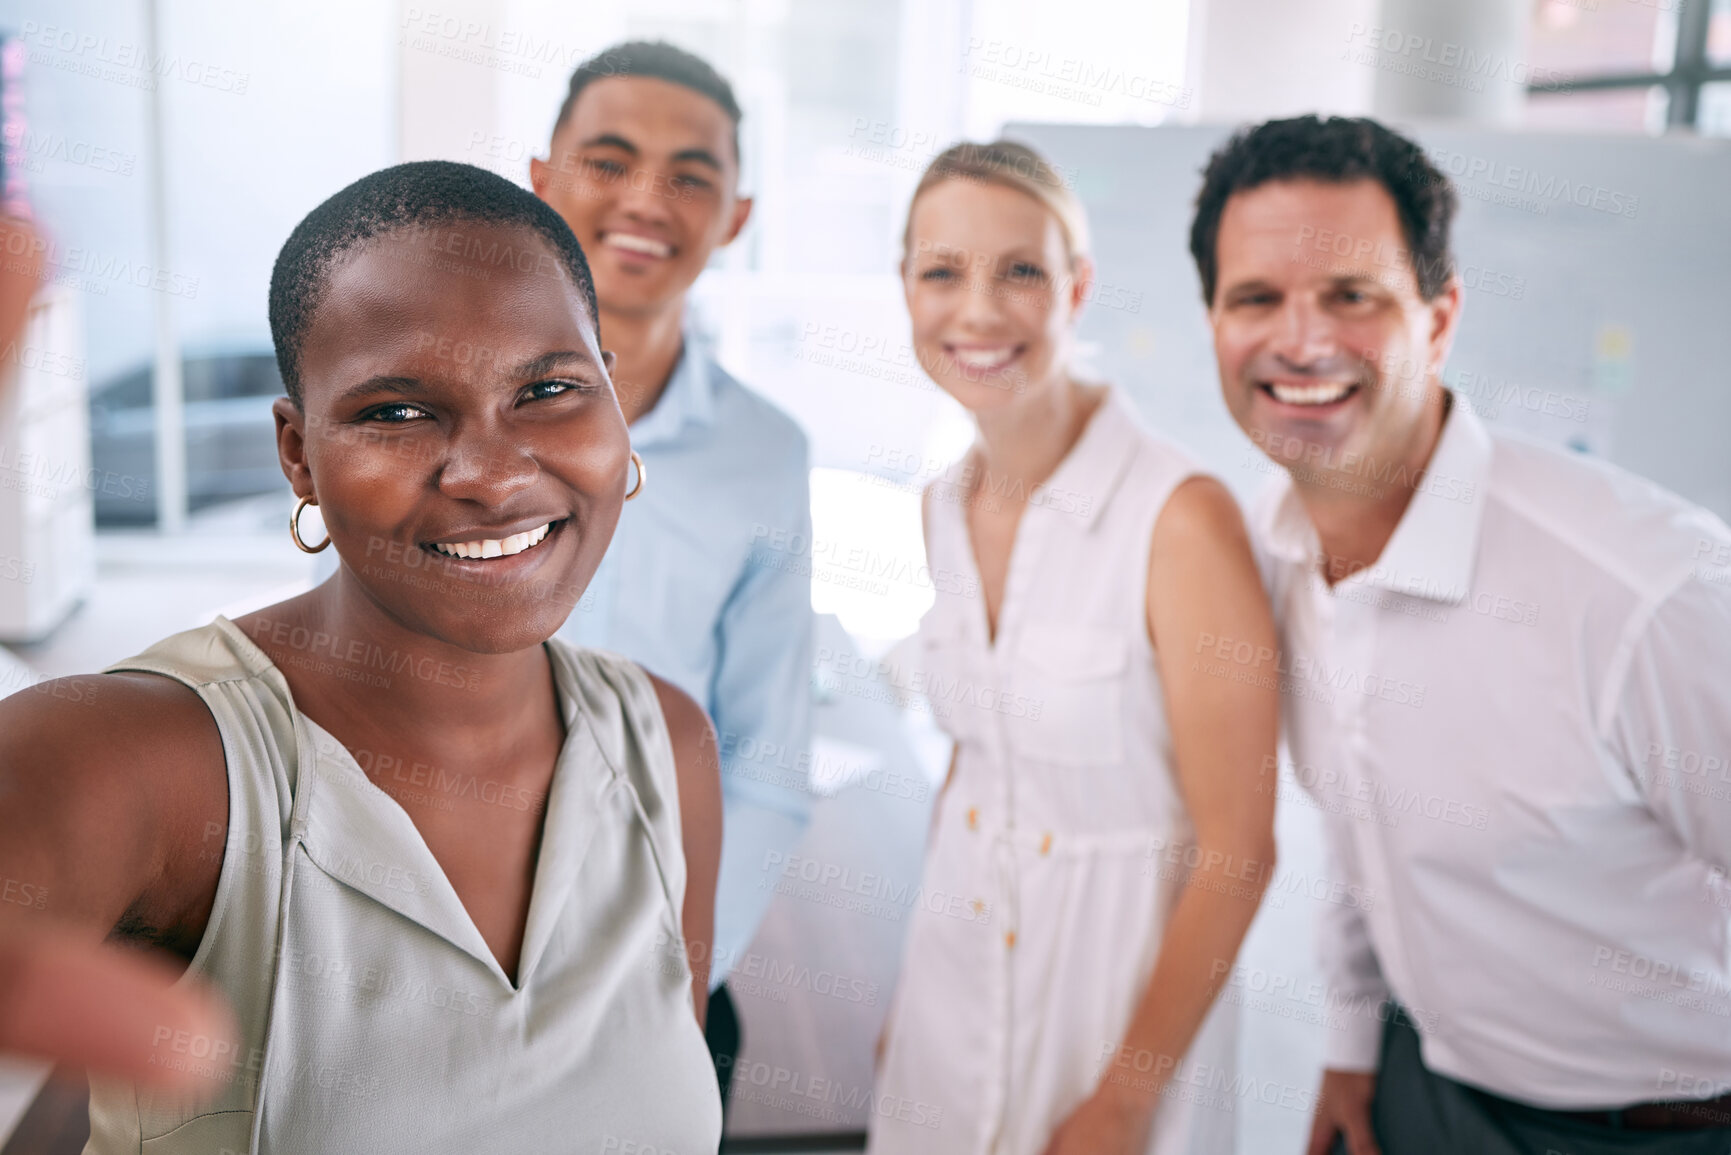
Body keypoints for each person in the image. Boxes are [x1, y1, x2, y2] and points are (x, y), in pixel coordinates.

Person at [0, 161, 724, 1152]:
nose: (493, 474)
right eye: (397, 411)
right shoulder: (130, 759)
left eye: (550, 389)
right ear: (298, 454)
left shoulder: (667, 744)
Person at [1191, 114, 1731, 1155]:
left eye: (1351, 296)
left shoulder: (1646, 595)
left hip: (1661, 1125)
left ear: (1439, 320)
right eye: (1256, 297)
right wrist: (1352, 1046)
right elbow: (1364, 817)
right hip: (1423, 1088)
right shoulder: (1264, 539)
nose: (1300, 341)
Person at [869, 141, 1280, 1155]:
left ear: (1076, 289)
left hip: (1113, 1009)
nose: (978, 312)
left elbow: (1238, 852)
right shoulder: (943, 510)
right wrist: (912, 1002)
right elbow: (975, 764)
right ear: (906, 292)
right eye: (942, 272)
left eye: (1020, 271)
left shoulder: (1180, 519)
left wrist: (1127, 1099)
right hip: (950, 998)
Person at [530, 41, 814, 1109]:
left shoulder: (767, 453)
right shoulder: (450, 409)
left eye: (692, 175)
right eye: (610, 159)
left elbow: (770, 757)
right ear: (543, 182)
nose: (649, 198)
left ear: (735, 216)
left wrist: (683, 977)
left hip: (661, 958)